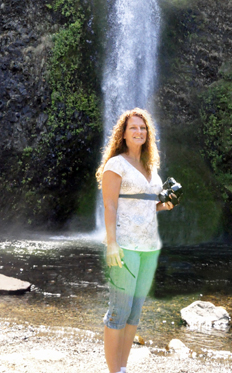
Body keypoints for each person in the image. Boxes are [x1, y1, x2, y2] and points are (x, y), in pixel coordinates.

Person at [95, 108, 176, 373]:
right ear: (124, 134)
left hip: (149, 248)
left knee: (134, 315)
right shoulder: (115, 165)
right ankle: (113, 371)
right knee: (119, 311)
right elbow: (110, 206)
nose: (139, 132)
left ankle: (123, 368)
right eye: (134, 128)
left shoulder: (150, 168)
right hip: (125, 247)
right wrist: (111, 244)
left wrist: (164, 207)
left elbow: (145, 207)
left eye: (143, 128)